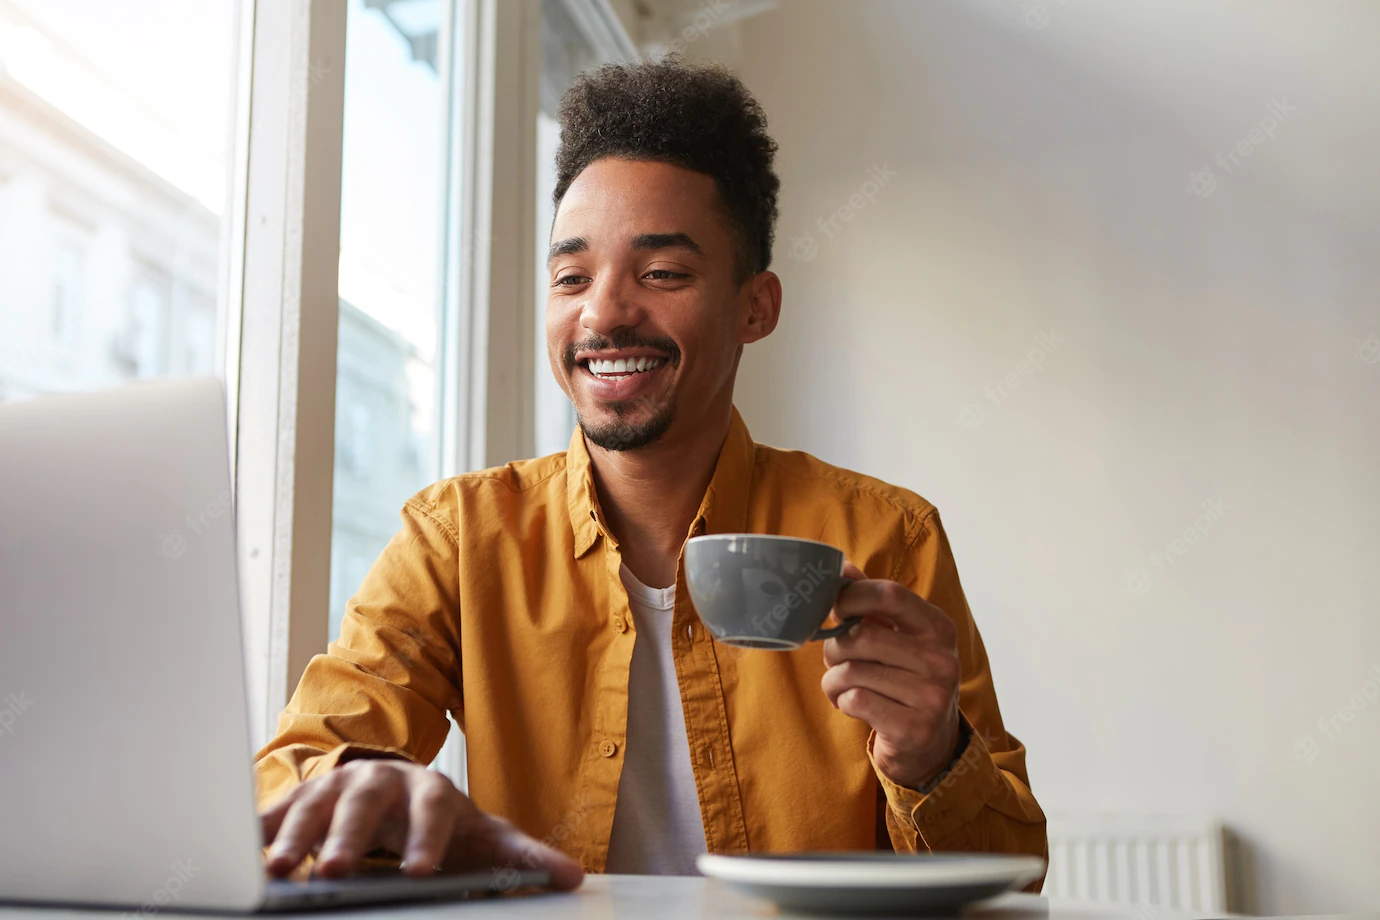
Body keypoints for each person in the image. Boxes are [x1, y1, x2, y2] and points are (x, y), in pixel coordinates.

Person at [255, 56, 1046, 890]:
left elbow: (1015, 881)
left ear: (756, 307)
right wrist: (354, 784)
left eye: (662, 272)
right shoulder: (457, 539)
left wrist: (932, 755)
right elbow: (290, 772)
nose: (602, 312)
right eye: (571, 277)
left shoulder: (887, 538)